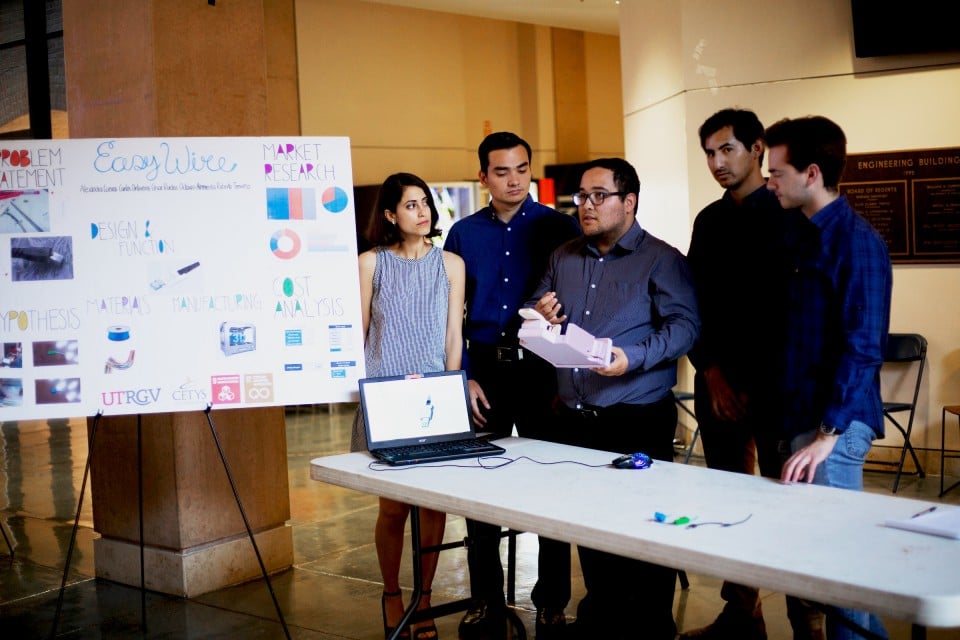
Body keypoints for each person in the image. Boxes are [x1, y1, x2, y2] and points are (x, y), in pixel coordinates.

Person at [530, 157, 699, 640]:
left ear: (629, 202)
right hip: (576, 418)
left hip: (636, 417)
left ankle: (649, 628)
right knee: (593, 530)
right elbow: (535, 306)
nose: (586, 206)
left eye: (598, 196)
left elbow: (685, 327)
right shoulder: (564, 256)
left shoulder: (662, 260)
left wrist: (634, 356)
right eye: (581, 196)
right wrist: (538, 313)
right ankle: (601, 620)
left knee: (643, 532)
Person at [444, 131, 580, 640]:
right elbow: (450, 313)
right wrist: (465, 376)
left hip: (543, 370)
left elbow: (577, 301)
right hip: (485, 373)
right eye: (501, 171)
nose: (514, 179)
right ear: (483, 177)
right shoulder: (461, 234)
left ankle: (552, 602)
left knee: (551, 483)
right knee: (479, 488)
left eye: (521, 169)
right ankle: (487, 599)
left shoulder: (559, 227)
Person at [765, 115, 892, 640]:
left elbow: (864, 348)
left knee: (843, 569)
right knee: (826, 566)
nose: (769, 182)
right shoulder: (802, 233)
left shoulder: (856, 241)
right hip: (802, 419)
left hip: (832, 428)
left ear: (811, 173)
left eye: (776, 172)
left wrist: (826, 436)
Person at [681, 108, 796, 640]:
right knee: (728, 500)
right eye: (709, 152)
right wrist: (712, 374)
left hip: (781, 387)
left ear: (757, 149)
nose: (716, 162)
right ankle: (740, 611)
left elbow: (797, 310)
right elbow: (694, 305)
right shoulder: (710, 221)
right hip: (720, 383)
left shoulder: (790, 211)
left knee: (787, 503)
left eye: (726, 149)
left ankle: (807, 620)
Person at [350, 172, 466, 640]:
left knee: (433, 506)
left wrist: (450, 390)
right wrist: (363, 393)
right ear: (390, 215)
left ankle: (425, 597)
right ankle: (391, 591)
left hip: (436, 398)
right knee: (394, 508)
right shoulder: (370, 264)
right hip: (386, 397)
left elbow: (453, 335)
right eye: (412, 205)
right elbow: (358, 334)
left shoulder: (451, 264)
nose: (423, 213)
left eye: (426, 203)